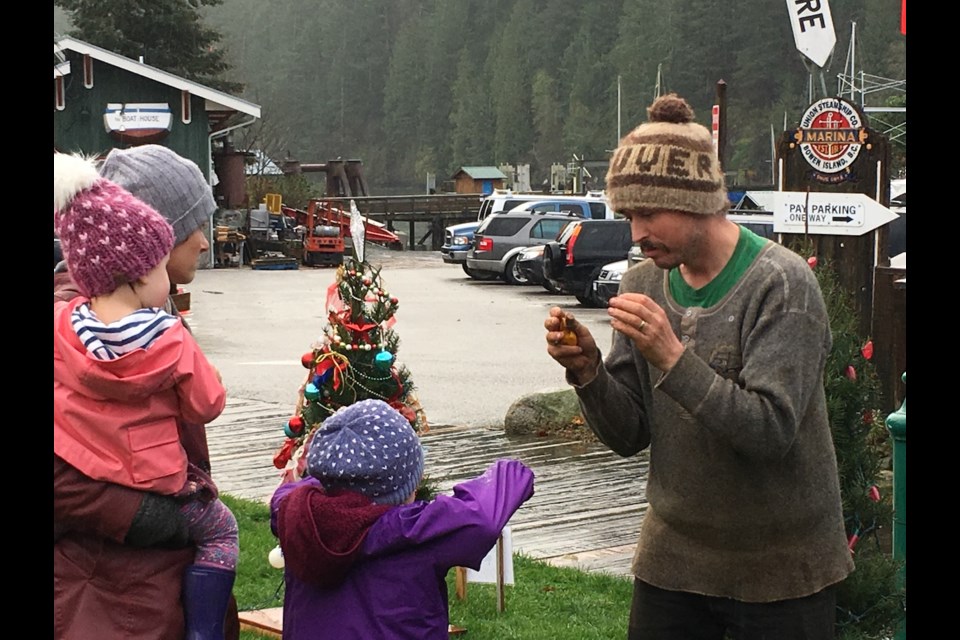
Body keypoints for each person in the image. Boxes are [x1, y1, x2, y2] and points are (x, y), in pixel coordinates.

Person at [544, 93, 853, 639]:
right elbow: (630, 433)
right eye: (627, 214)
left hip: (782, 572)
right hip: (673, 562)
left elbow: (770, 432)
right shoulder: (642, 282)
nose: (636, 233)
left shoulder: (781, 284)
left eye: (647, 213)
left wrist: (672, 355)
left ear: (695, 201)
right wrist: (588, 371)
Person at [53, 145, 240, 640]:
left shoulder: (105, 320)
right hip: (111, 596)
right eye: (194, 224)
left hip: (148, 584)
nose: (203, 242)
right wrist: (148, 516)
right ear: (146, 249)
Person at [271, 398, 535, 640]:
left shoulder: (298, 515)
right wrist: (512, 469)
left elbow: (288, 492)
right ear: (409, 485)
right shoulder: (414, 531)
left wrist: (335, 473)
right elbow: (482, 520)